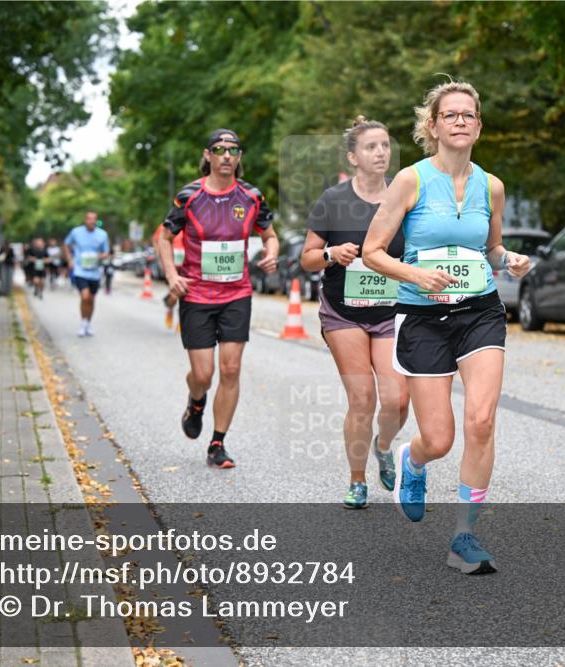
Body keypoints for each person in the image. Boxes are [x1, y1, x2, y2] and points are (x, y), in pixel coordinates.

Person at [362, 81, 531, 573]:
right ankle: (414, 463)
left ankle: (464, 537)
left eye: (468, 115)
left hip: (479, 311)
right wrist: (416, 274)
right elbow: (373, 252)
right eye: (450, 114)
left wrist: (510, 260)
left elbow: (492, 250)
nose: (459, 121)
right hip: (422, 317)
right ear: (432, 125)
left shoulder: (491, 186)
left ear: (479, 125)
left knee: (481, 420)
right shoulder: (410, 182)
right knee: (439, 438)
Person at [300, 116, 410, 508]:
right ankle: (357, 479)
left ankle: (383, 446)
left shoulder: (403, 198)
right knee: (362, 397)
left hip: (390, 311)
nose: (381, 152)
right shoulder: (334, 200)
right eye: (371, 147)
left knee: (397, 399)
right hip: (343, 312)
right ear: (353, 156)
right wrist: (330, 254)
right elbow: (308, 258)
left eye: (385, 145)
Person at [157, 128, 279, 469]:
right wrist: (171, 276)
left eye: (233, 150)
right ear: (207, 155)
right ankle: (196, 401)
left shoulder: (252, 197)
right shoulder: (189, 196)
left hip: (236, 293)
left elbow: (270, 235)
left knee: (231, 368)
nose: (227, 155)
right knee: (203, 374)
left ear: (239, 157)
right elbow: (164, 238)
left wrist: (271, 253)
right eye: (219, 149)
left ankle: (217, 443)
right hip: (196, 293)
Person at [64, 211, 110, 337]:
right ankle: (83, 323)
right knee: (85, 296)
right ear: (85, 220)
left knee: (91, 299)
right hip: (80, 270)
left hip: (95, 272)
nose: (91, 221)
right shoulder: (76, 232)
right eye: (89, 219)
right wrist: (69, 260)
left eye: (94, 219)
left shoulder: (102, 235)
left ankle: (88, 323)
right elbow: (66, 244)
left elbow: (107, 252)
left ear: (96, 220)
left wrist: (99, 256)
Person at [153, 225, 185, 329]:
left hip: (184, 266)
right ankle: (170, 309)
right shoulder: (165, 226)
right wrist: (160, 255)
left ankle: (181, 321)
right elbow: (156, 240)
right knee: (174, 295)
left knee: (184, 295)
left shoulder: (188, 224)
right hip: (171, 268)